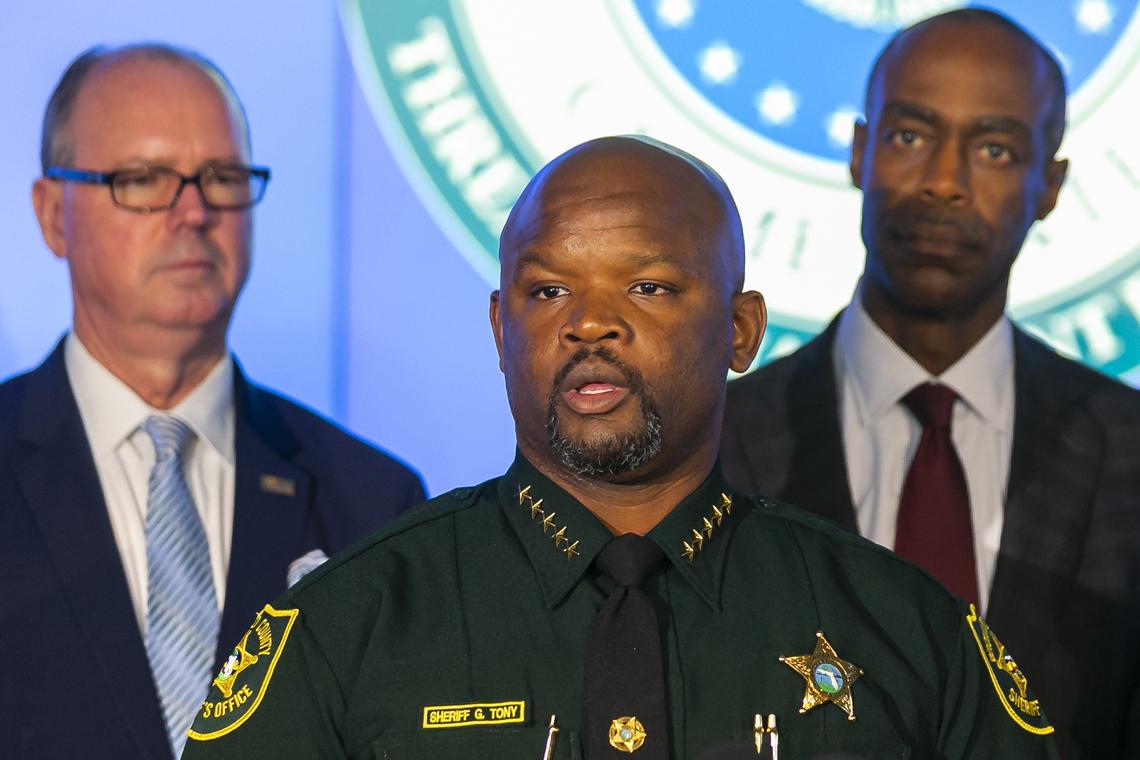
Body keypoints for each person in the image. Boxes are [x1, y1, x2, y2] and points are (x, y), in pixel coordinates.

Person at [182, 136, 1059, 759]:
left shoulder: (904, 626)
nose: (590, 323)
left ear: (741, 331)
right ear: (499, 327)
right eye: (549, 288)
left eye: (647, 286)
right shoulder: (346, 627)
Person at [720, 9, 1140, 759]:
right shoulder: (717, 441)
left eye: (995, 149)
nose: (945, 181)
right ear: (859, 152)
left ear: (1051, 184)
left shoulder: (1128, 450)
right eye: (910, 136)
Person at [0, 44, 425, 760]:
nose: (193, 212)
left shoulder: (373, 502)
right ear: (52, 215)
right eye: (143, 179)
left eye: (222, 178)